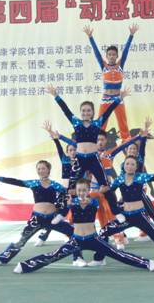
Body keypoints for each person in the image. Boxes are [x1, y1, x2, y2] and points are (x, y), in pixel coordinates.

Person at [13, 178, 154, 274]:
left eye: (84, 190)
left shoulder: (94, 201)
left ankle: (146, 263)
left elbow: (97, 199)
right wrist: (63, 211)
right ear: (76, 191)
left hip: (93, 239)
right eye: (79, 190)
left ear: (88, 191)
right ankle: (25, 266)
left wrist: (98, 194)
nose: (82, 193)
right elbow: (62, 212)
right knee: (53, 255)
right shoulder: (72, 202)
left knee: (118, 254)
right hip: (76, 240)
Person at [47, 85, 124, 214]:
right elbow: (65, 110)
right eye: (83, 110)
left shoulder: (97, 123)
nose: (86, 113)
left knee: (105, 186)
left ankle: (116, 212)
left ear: (92, 112)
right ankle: (63, 214)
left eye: (88, 110)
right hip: (80, 159)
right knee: (72, 188)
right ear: (80, 112)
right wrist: (56, 96)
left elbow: (109, 111)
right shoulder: (76, 122)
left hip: (94, 159)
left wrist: (119, 98)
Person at [0, 160, 84, 266]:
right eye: (39, 169)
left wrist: (75, 195)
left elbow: (68, 195)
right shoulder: (33, 183)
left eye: (43, 168)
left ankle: (77, 258)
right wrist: (0, 178)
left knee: (74, 233)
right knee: (22, 239)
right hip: (36, 219)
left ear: (48, 170)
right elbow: (17, 181)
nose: (41, 170)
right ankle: (2, 259)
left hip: (51, 219)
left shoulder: (56, 185)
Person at [97, 156, 154, 266]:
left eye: (132, 164)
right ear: (123, 166)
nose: (129, 166)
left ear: (136, 167)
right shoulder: (119, 179)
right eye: (127, 163)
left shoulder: (141, 177)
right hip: (125, 217)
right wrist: (104, 192)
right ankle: (99, 258)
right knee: (103, 232)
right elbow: (110, 193)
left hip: (140, 216)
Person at [84, 24, 138, 140]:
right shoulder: (104, 66)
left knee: (123, 123)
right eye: (109, 54)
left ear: (117, 56)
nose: (112, 56)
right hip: (106, 98)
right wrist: (90, 37)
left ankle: (126, 143)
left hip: (118, 98)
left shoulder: (120, 65)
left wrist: (131, 35)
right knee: (101, 123)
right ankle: (97, 144)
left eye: (114, 54)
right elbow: (97, 53)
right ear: (107, 56)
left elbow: (126, 51)